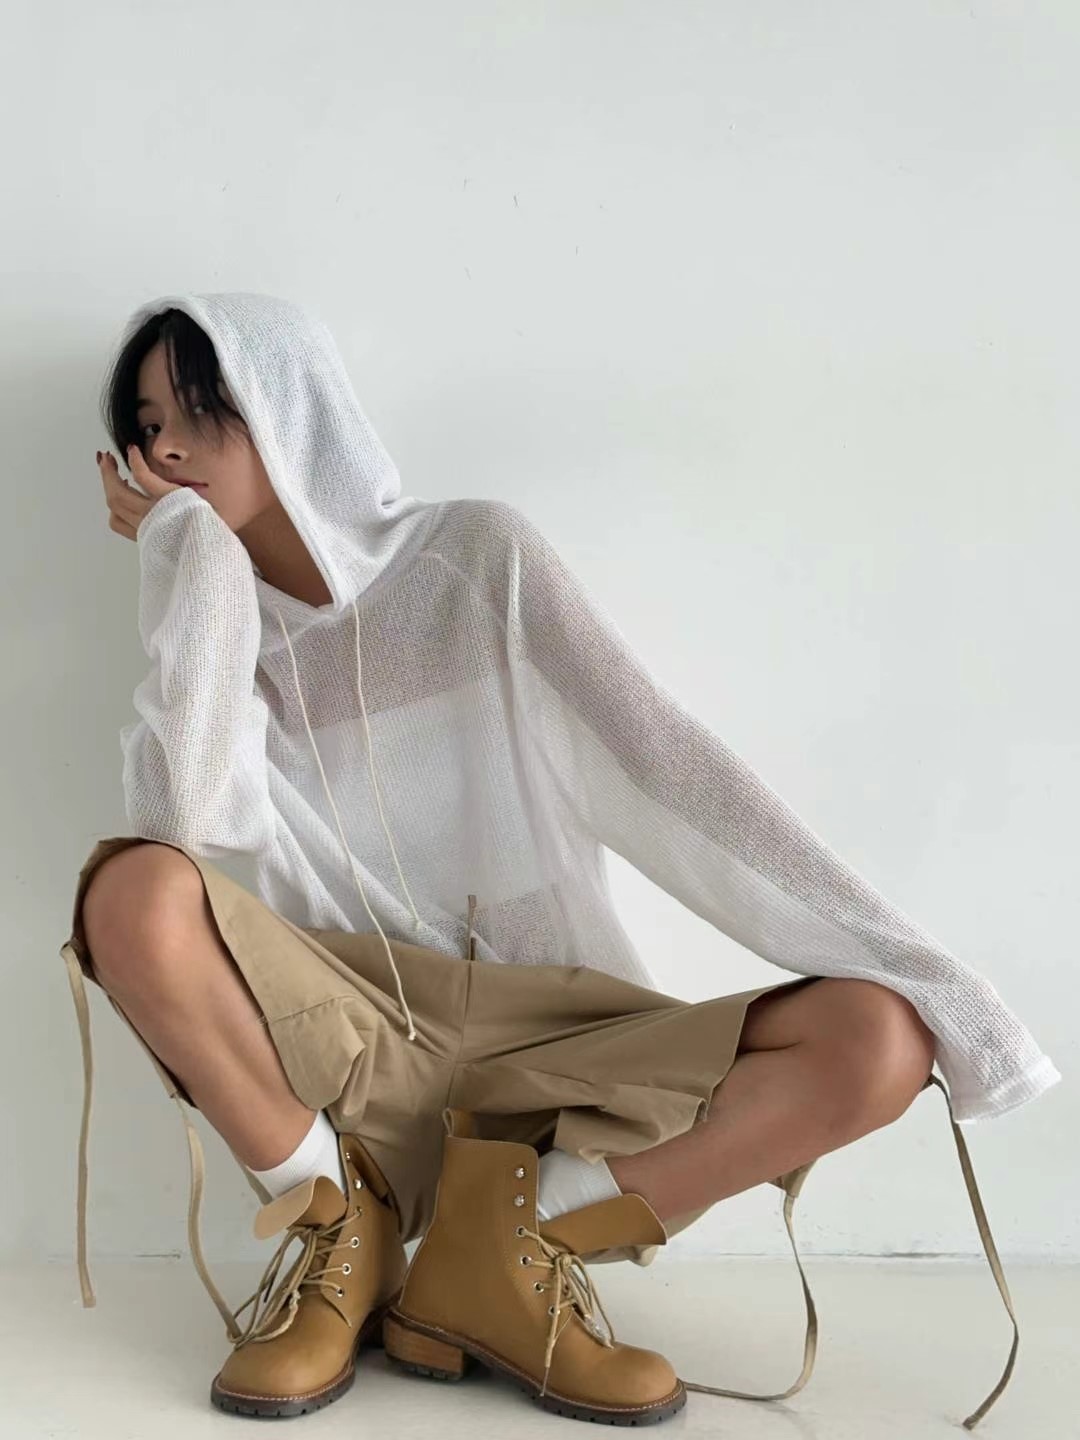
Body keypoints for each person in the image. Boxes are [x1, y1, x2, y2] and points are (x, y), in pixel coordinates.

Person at [58, 291, 1058, 1426]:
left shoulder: (473, 558)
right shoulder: (215, 612)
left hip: (556, 1039)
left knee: (879, 1037)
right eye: (146, 426)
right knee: (131, 891)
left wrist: (920, 967)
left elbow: (669, 769)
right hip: (355, 1054)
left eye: (203, 408)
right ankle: (343, 1228)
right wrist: (194, 562)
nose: (165, 448)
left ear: (288, 401)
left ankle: (501, 1250)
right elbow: (177, 818)